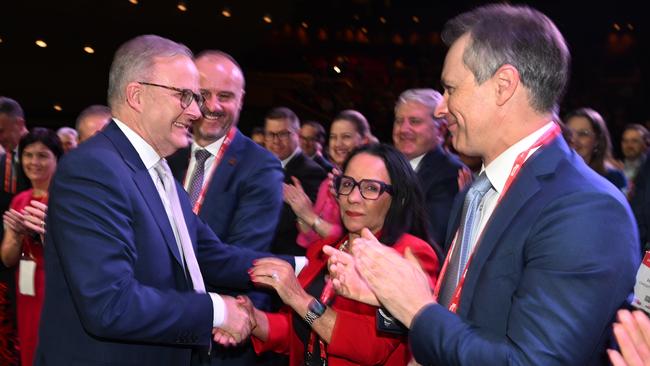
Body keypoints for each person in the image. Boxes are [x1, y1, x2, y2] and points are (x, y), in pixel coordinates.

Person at [327, 4, 639, 365]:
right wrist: (393, 298)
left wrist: (417, 308)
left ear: (503, 86)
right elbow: (467, 319)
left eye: (450, 88)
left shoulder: (586, 208)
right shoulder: (475, 192)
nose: (441, 108)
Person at [35, 34, 295, 366]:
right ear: (136, 95)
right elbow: (110, 304)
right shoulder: (93, 170)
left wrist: (305, 269)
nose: (196, 110)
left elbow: (210, 256)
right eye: (185, 96)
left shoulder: (155, 169)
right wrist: (216, 310)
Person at [245, 144, 440, 366]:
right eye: (347, 184)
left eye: (371, 188)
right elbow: (298, 329)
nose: (353, 197)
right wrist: (253, 320)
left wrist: (299, 298)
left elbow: (373, 347)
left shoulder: (409, 254)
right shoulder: (325, 248)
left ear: (399, 198)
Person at [167, 50, 284, 365]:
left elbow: (240, 257)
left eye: (226, 96)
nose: (213, 106)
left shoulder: (261, 167)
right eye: (203, 94)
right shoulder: (165, 154)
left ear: (241, 99)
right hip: (160, 330)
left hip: (220, 338)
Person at [1, 128, 62, 366]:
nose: (34, 162)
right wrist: (15, 235)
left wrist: (48, 232)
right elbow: (7, 259)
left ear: (57, 159)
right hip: (27, 288)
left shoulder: (65, 199)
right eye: (28, 155)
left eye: (42, 155)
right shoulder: (19, 199)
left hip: (55, 289)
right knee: (28, 347)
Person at [285, 110, 370, 249]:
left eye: (346, 137)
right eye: (333, 137)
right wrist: (301, 210)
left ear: (364, 141)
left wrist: (310, 216)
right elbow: (309, 238)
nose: (338, 144)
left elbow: (352, 237)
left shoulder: (369, 186)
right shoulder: (327, 183)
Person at [392, 88, 466, 247]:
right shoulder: (386, 167)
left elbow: (430, 242)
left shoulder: (450, 174)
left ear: (440, 130)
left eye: (414, 121)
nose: (403, 129)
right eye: (399, 121)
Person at [265, 107, 326, 256]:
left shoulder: (312, 172)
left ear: (297, 135)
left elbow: (293, 222)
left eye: (283, 134)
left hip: (289, 258)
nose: (275, 141)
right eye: (271, 134)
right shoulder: (261, 165)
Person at [0, 96, 29, 366]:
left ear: (19, 124)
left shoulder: (44, 154)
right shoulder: (2, 161)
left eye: (1, 130)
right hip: (5, 260)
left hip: (34, 259)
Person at [565, 107, 627, 191]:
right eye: (569, 133)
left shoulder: (613, 178)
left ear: (597, 140)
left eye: (583, 134)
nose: (573, 140)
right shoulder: (552, 175)